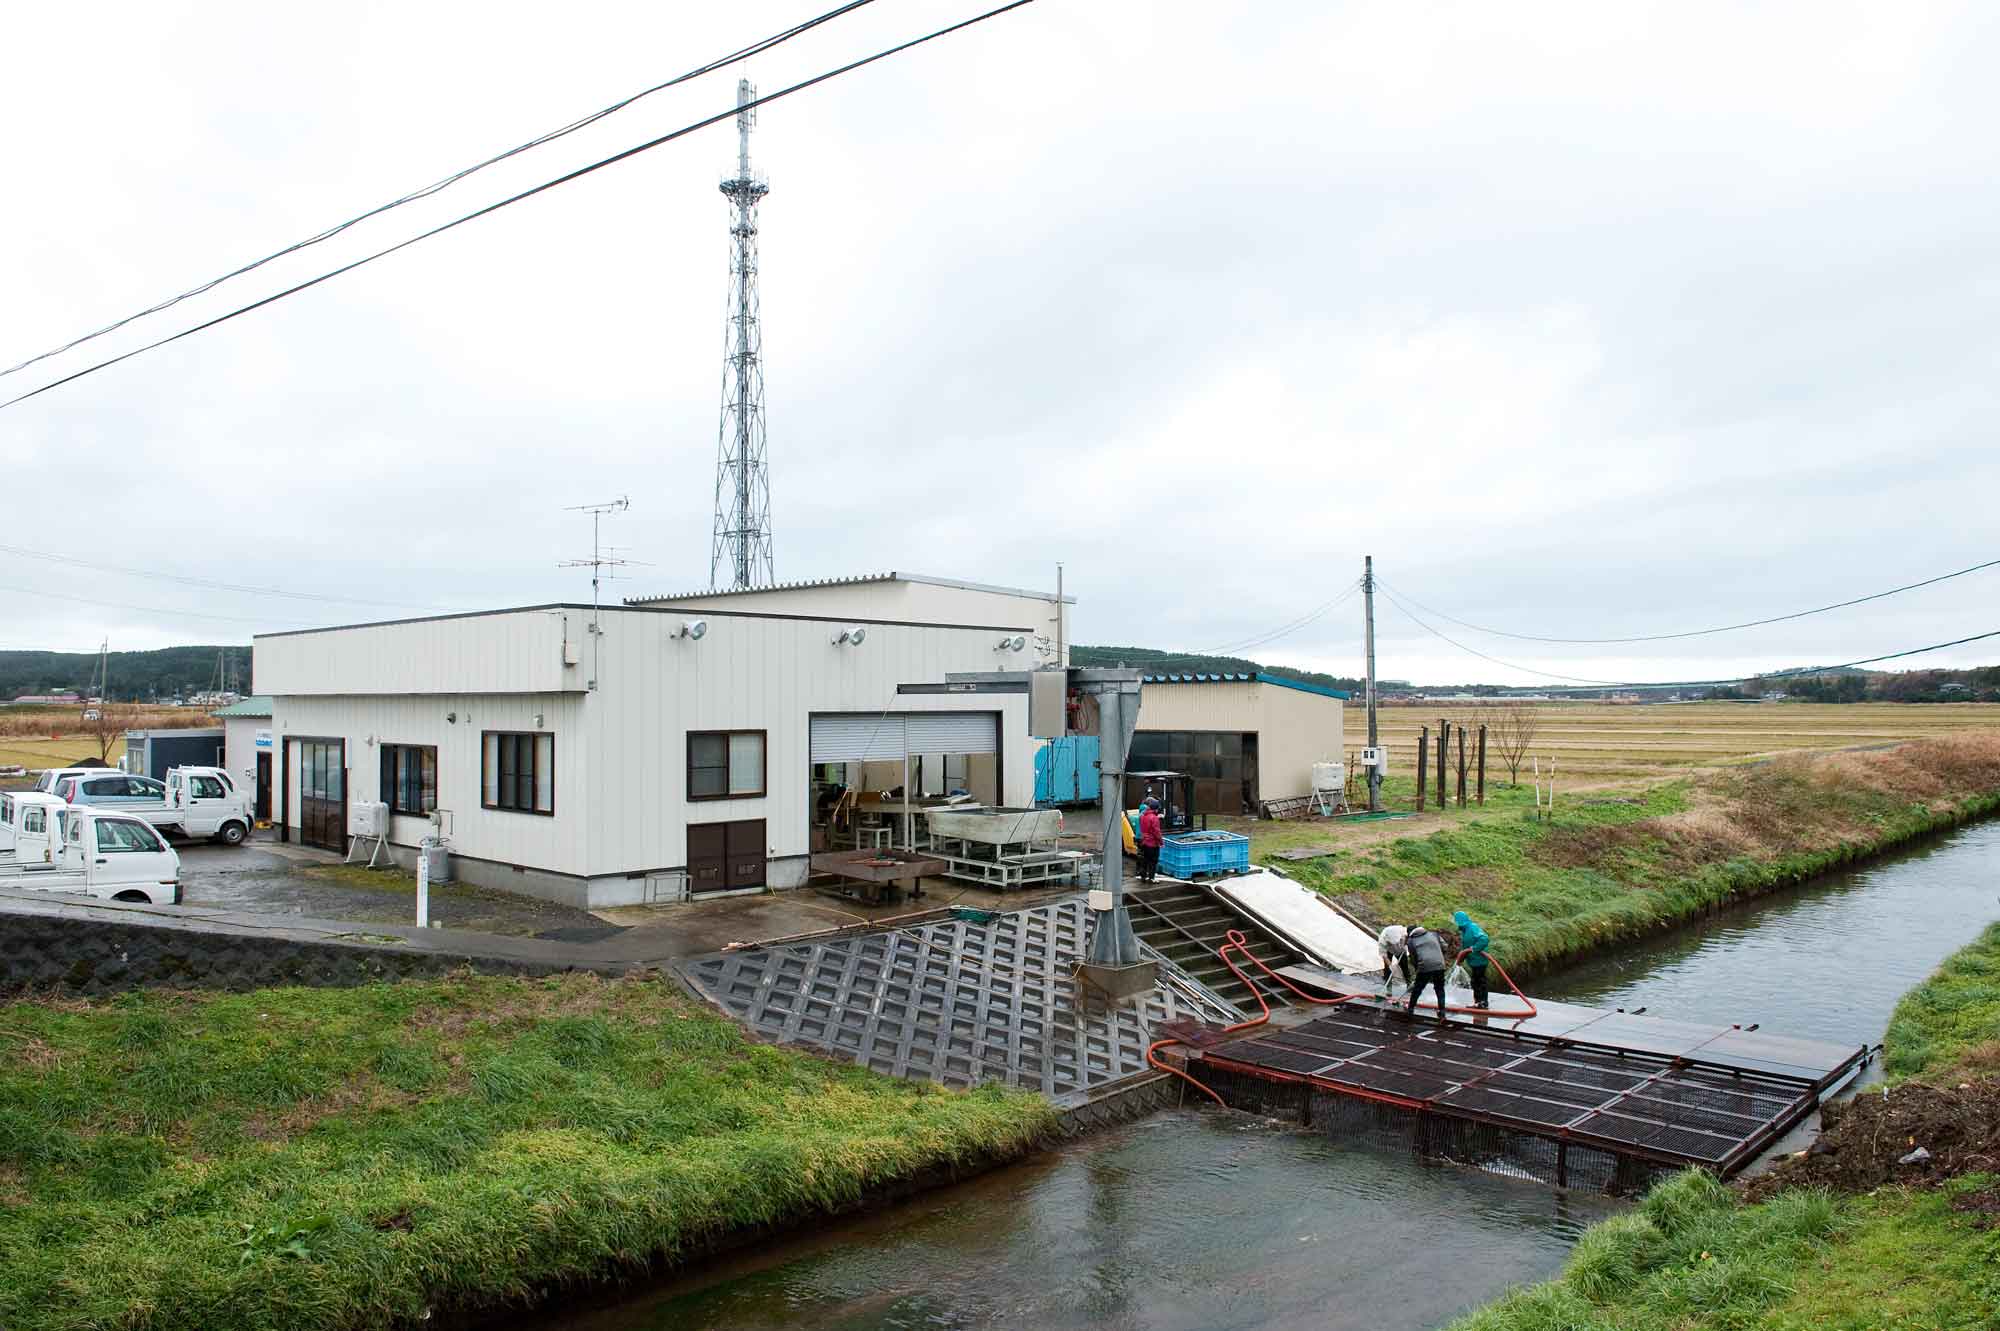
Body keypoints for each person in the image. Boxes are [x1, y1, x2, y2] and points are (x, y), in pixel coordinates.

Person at [1404, 923, 1448, 1022]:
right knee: (1440, 989)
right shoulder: (1433, 934)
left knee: (1418, 988)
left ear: (1410, 933)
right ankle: (1442, 1012)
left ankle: (1410, 1009)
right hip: (1439, 964)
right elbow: (1445, 947)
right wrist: (1438, 956)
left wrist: (1417, 969)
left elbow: (1413, 958)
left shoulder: (1411, 941)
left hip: (1425, 966)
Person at [1453, 910, 1492, 1010]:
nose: (1457, 926)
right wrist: (1461, 958)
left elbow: (1484, 939)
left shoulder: (1472, 927)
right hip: (1474, 961)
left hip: (1479, 961)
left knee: (1480, 982)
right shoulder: (1465, 931)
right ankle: (1478, 1002)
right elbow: (1466, 947)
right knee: (1476, 982)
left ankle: (1482, 1003)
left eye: (1457, 923)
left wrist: (1473, 949)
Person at [1376, 924, 1413, 994]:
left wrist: (1406, 945)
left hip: (1401, 949)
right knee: (1387, 968)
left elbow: (1408, 937)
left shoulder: (1402, 932)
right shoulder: (1382, 941)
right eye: (1391, 943)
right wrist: (1391, 966)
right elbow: (1384, 956)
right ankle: (1388, 986)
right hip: (1389, 950)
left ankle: (1409, 984)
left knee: (1404, 966)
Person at [1137, 798, 1165, 884]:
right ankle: (1151, 878)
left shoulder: (1142, 816)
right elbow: (1157, 832)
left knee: (1145, 860)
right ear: (1155, 809)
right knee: (1153, 861)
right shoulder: (1154, 818)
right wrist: (1161, 842)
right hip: (1152, 843)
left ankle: (1143, 877)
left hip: (1144, 842)